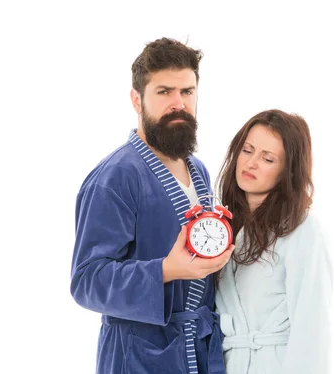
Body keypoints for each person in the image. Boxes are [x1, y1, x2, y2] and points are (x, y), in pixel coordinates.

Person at [70, 37, 234, 374]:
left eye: (187, 92)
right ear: (136, 99)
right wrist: (165, 270)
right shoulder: (114, 178)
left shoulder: (197, 169)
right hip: (137, 357)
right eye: (164, 92)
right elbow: (86, 281)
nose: (178, 103)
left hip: (195, 350)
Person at [215, 109, 333, 373]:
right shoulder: (224, 226)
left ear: (287, 172)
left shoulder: (302, 230)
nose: (251, 163)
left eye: (268, 158)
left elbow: (312, 328)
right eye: (247, 150)